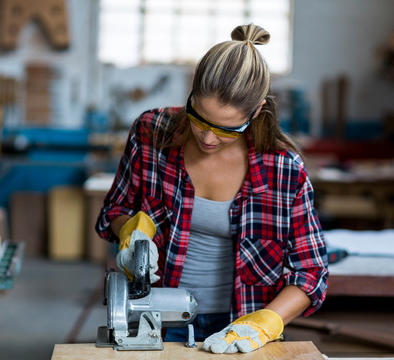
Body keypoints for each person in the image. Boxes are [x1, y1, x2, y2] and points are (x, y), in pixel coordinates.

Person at [95, 24, 328, 354]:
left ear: (257, 111)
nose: (207, 138)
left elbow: (312, 272)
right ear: (191, 93)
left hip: (242, 328)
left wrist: (265, 323)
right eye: (199, 119)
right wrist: (131, 233)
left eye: (227, 129)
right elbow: (114, 211)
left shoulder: (282, 169)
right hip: (157, 319)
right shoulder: (152, 133)